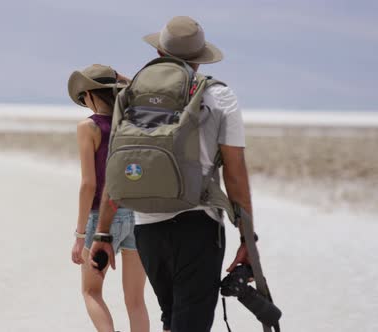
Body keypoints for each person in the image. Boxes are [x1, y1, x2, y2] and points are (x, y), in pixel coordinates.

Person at [89, 16, 255, 332]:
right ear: (198, 59)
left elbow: (117, 166)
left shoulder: (130, 93)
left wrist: (102, 234)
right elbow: (235, 175)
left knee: (171, 318)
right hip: (199, 225)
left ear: (161, 53)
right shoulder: (220, 97)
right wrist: (248, 237)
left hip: (147, 228)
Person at [67, 64, 150, 332]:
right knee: (136, 300)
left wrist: (80, 236)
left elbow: (88, 185)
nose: (84, 103)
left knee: (91, 292)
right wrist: (122, 82)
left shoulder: (89, 128)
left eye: (83, 97)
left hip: (102, 219)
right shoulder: (133, 123)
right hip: (137, 217)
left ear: (90, 95)